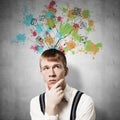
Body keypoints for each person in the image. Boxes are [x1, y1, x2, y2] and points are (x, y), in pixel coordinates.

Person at [30, 48, 96, 120]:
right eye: (46, 68)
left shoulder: (84, 101)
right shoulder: (36, 103)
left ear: (66, 71)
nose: (51, 74)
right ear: (41, 73)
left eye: (56, 67)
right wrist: (51, 106)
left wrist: (51, 109)